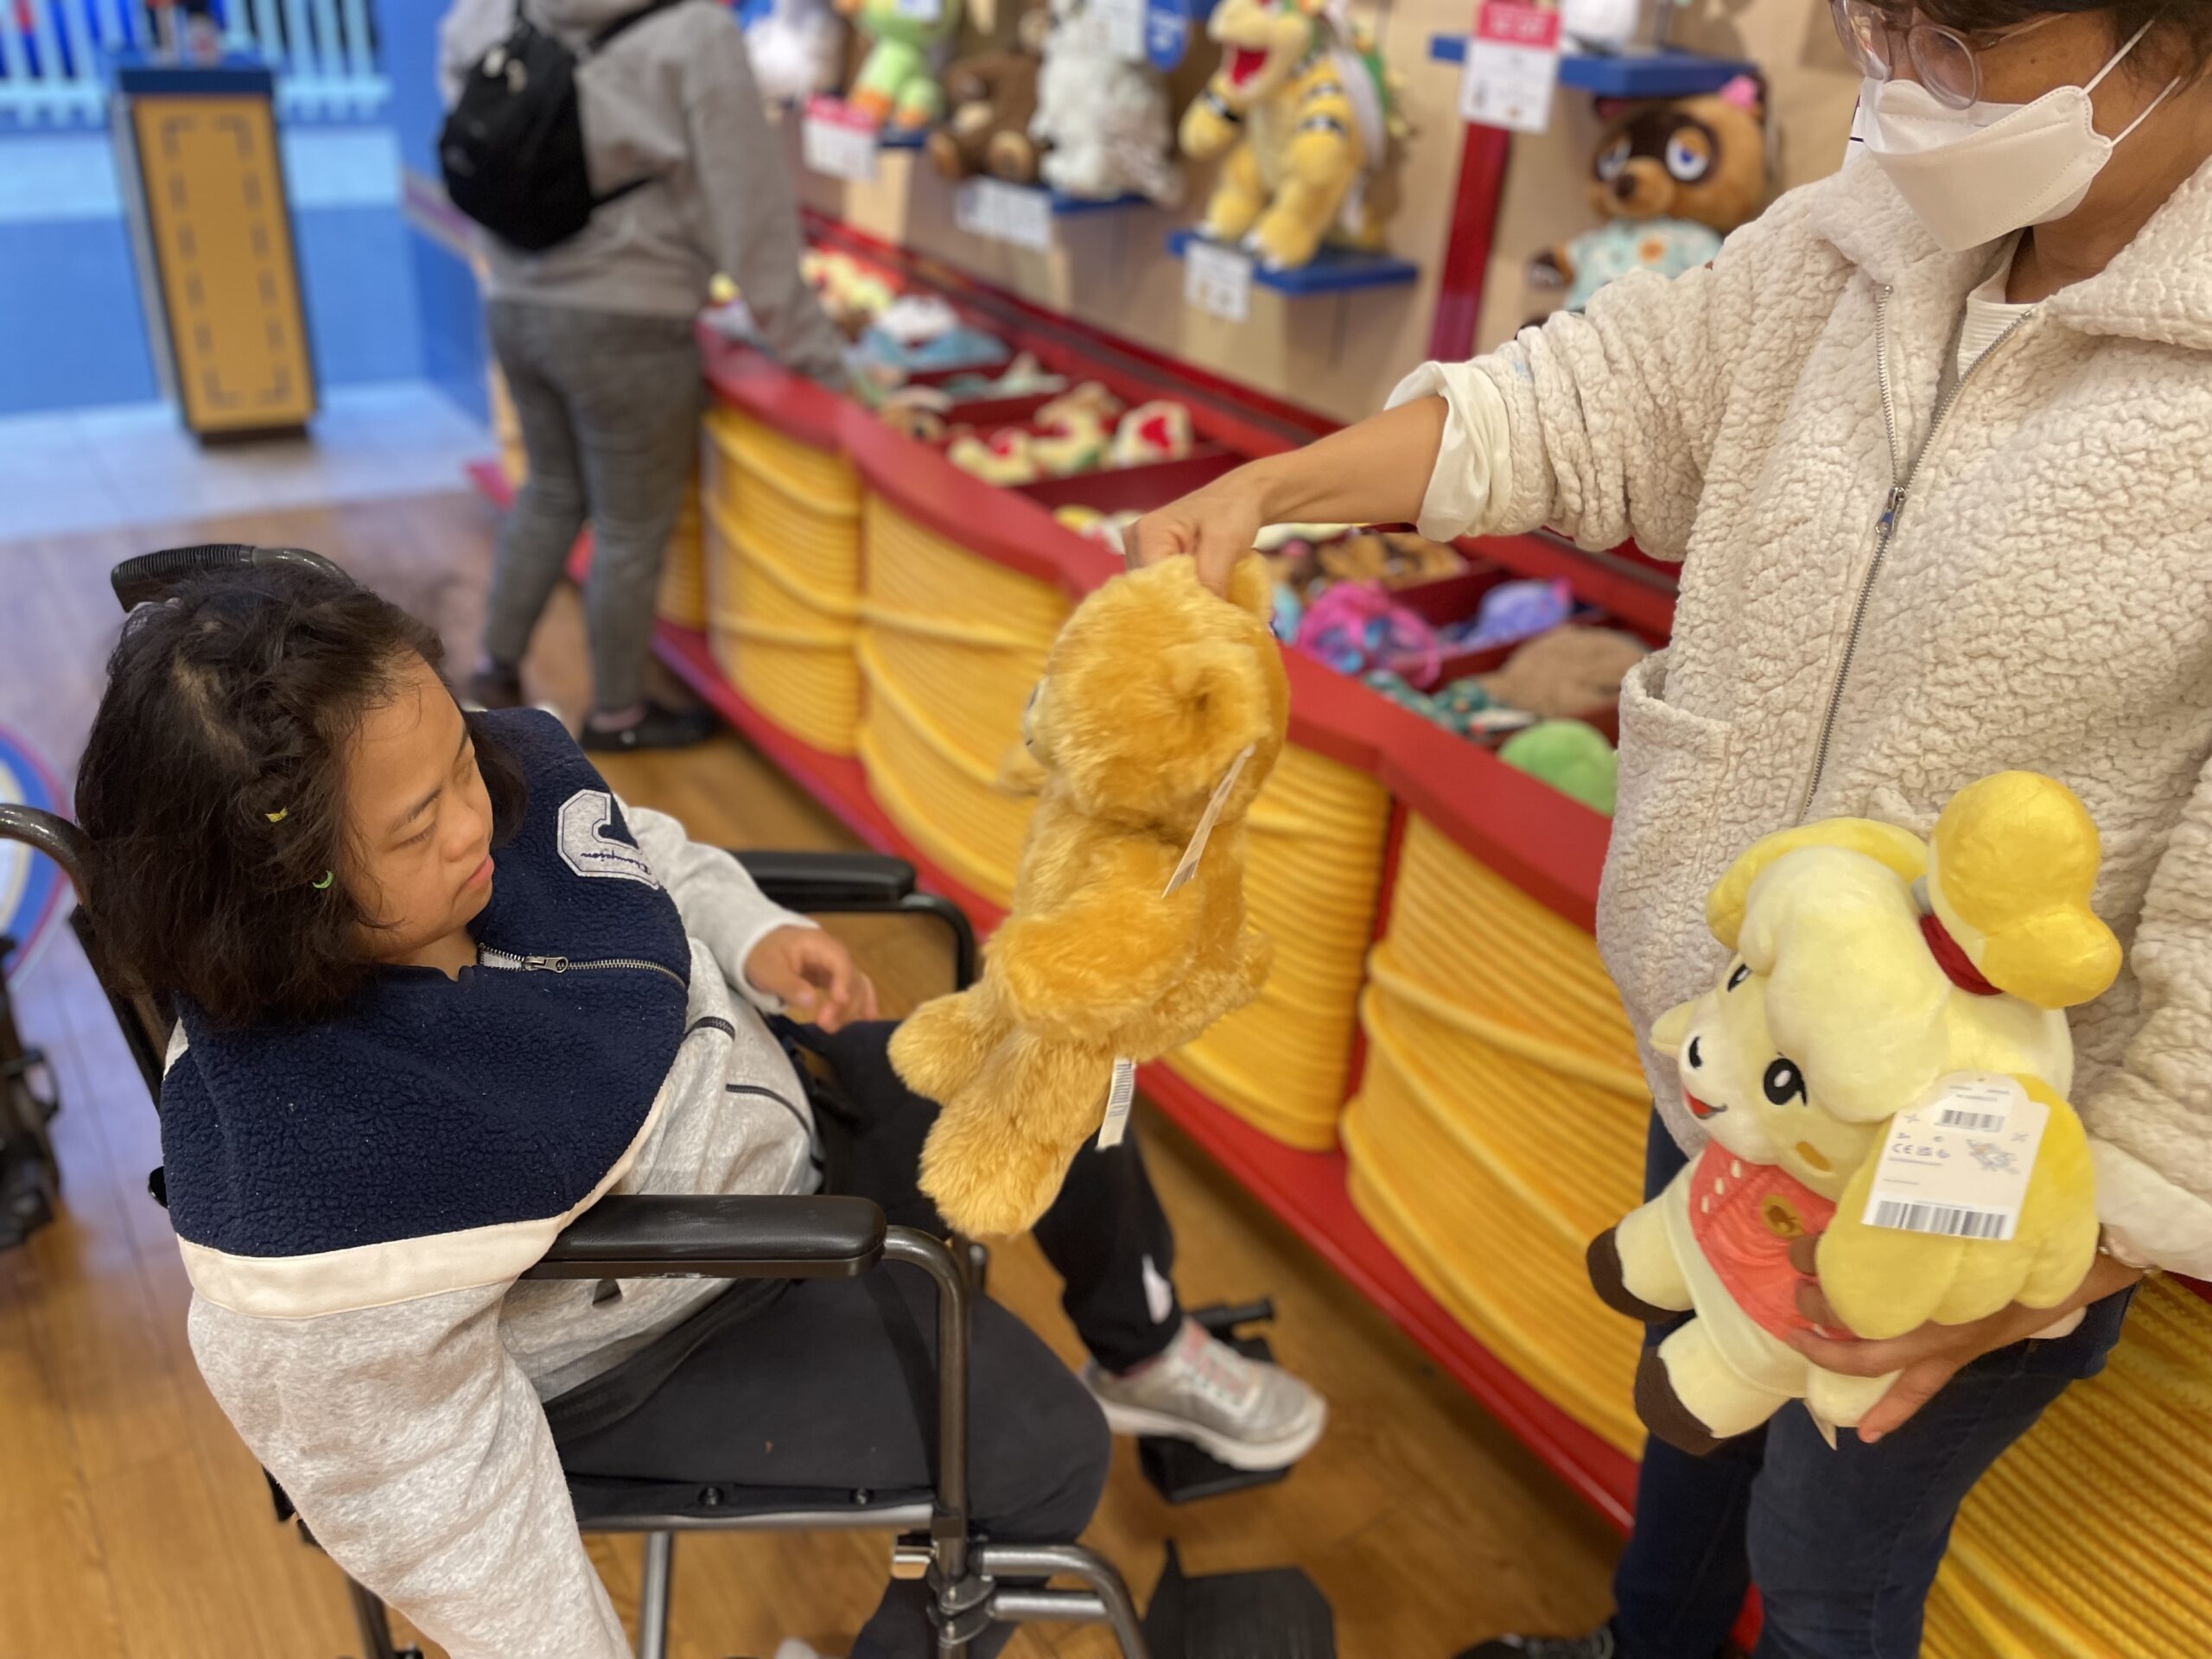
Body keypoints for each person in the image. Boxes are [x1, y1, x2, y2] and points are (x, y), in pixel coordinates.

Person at [1133, 0, 2212, 1652]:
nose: (1898, 80)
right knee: (1689, 1423)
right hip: (1735, 1039)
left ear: (2169, 40)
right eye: (1873, 26)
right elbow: (1592, 398)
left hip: (1973, 1167)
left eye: (1952, 40)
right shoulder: (1858, 241)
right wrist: (1275, 489)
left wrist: (2083, 1246)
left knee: (1832, 1551)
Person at [73, 563, 1325, 1659]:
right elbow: (428, 1494)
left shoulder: (459, 790)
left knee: (1060, 1070)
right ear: (286, 893)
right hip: (660, 1330)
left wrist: (751, 927)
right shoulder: (330, 1179)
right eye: (420, 826)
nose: (476, 821)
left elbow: (622, 845)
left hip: (766, 1115)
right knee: (1045, 1457)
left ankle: (1144, 1347)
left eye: (463, 761)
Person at [436, 0, 849, 750]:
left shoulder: (500, 10)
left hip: (515, 302)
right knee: (630, 528)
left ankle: (493, 672)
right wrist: (820, 362)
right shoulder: (695, 33)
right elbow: (749, 210)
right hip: (630, 317)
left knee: (550, 489)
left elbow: (469, 109)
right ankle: (618, 713)